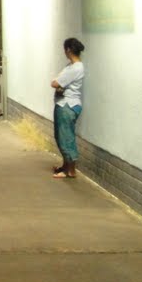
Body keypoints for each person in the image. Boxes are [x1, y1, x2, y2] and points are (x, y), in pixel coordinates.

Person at [50, 37, 85, 178]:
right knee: (61, 136)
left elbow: (55, 83)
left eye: (65, 49)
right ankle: (65, 166)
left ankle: (70, 170)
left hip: (67, 106)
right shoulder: (71, 66)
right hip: (64, 104)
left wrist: (57, 83)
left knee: (66, 137)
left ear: (69, 50)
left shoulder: (75, 68)